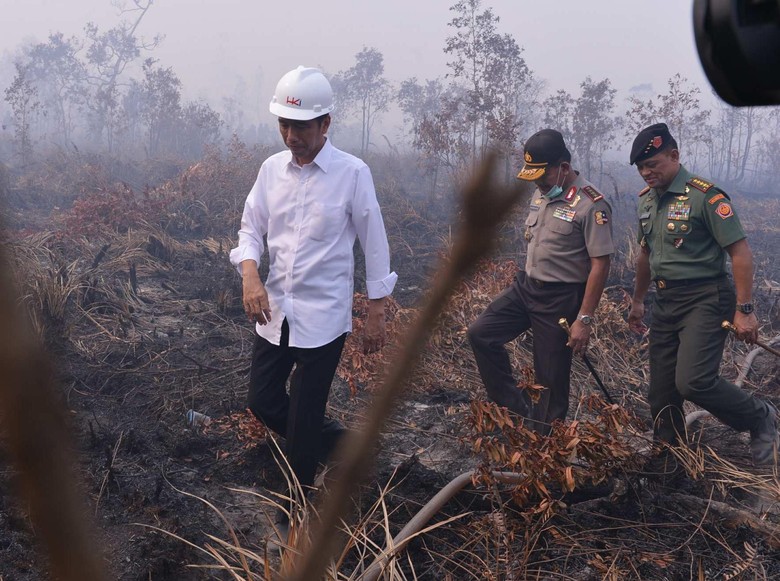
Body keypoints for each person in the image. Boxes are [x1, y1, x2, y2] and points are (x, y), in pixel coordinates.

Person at [229, 66, 398, 540]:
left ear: (325, 124)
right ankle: (344, 445)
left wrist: (377, 311)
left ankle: (295, 510)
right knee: (262, 401)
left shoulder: (352, 174)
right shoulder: (270, 170)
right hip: (273, 312)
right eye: (283, 125)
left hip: (324, 318)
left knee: (304, 416)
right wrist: (249, 274)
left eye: (300, 126)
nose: (291, 136)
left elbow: (374, 241)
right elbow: (249, 229)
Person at [626, 122, 778, 466]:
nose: (646, 173)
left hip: (706, 297)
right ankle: (669, 459)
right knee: (662, 392)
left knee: (693, 381)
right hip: (665, 301)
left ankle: (759, 416)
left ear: (675, 156)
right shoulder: (647, 202)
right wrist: (637, 301)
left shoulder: (705, 195)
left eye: (653, 164)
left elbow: (740, 252)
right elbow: (646, 255)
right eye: (641, 168)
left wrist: (745, 309)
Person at [468, 129, 614, 434]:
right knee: (481, 334)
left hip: (559, 298)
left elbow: (600, 264)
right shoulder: (543, 191)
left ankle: (547, 447)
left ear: (562, 168)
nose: (537, 183)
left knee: (550, 381)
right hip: (525, 288)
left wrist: (584, 319)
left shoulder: (591, 204)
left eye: (542, 175)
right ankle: (517, 412)